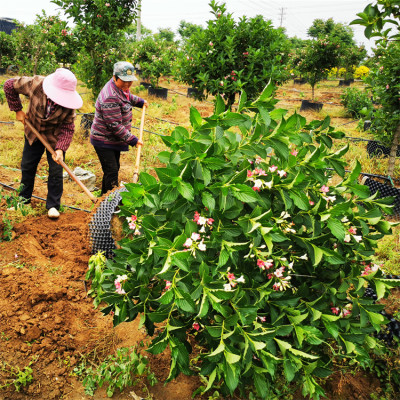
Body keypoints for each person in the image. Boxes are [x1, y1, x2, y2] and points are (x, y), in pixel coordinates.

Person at [4, 68, 83, 219]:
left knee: (55, 171)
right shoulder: (34, 84)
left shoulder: (69, 105)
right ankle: (23, 200)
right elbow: (8, 85)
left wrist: (60, 149)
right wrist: (17, 109)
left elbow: (68, 127)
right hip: (33, 132)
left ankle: (53, 205)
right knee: (27, 166)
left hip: (54, 138)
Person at [90, 61, 148, 195]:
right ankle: (110, 202)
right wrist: (133, 140)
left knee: (112, 169)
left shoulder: (120, 88)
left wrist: (140, 101)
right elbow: (115, 126)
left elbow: (127, 96)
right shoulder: (110, 96)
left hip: (112, 139)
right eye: (124, 81)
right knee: (112, 170)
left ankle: (104, 198)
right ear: (115, 77)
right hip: (103, 139)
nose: (127, 84)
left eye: (130, 81)